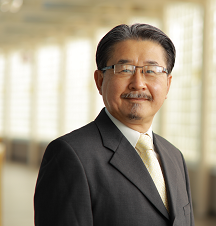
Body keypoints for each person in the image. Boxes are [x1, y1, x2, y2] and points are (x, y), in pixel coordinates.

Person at [34, 23, 194, 226]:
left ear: (168, 84)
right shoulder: (70, 156)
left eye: (151, 70)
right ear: (99, 80)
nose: (138, 83)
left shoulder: (174, 157)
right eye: (124, 69)